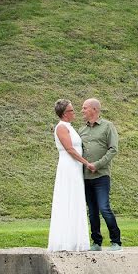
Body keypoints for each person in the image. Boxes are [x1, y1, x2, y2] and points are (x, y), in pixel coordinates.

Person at [47, 100, 93, 251]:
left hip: (75, 167)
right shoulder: (61, 127)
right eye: (72, 110)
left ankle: (75, 240)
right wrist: (86, 163)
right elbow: (70, 150)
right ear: (65, 113)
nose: (75, 113)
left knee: (75, 199)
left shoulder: (69, 127)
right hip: (68, 166)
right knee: (67, 198)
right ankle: (64, 241)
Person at [80, 98, 122, 251]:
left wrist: (96, 165)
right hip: (85, 177)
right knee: (92, 211)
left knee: (104, 208)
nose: (82, 111)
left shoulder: (107, 126)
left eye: (85, 108)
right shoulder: (81, 130)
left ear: (94, 110)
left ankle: (116, 241)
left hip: (101, 176)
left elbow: (113, 149)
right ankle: (96, 242)